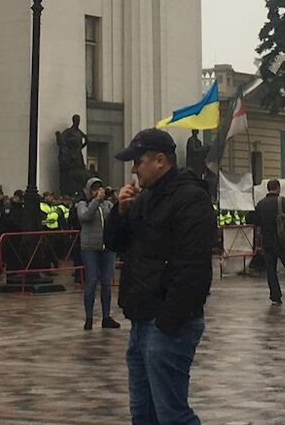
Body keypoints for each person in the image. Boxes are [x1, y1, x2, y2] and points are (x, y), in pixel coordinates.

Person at [107, 127, 214, 425]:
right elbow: (117, 244)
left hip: (169, 323)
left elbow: (192, 267)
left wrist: (170, 319)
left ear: (160, 161)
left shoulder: (191, 199)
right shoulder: (145, 199)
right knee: (143, 412)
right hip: (141, 319)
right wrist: (120, 212)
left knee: (172, 415)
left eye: (138, 162)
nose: (133, 170)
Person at [253, 178, 285, 305]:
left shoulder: (260, 204)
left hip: (268, 243)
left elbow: (255, 221)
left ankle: (275, 296)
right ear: (278, 188)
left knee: (271, 271)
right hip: (283, 242)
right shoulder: (283, 202)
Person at [78, 177, 119, 329]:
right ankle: (89, 318)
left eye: (99, 188)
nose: (97, 191)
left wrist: (114, 196)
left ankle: (106, 317)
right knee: (92, 281)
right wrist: (95, 201)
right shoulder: (83, 204)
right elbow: (85, 217)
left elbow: (117, 214)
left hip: (107, 248)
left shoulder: (107, 204)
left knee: (106, 283)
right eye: (94, 189)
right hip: (90, 247)